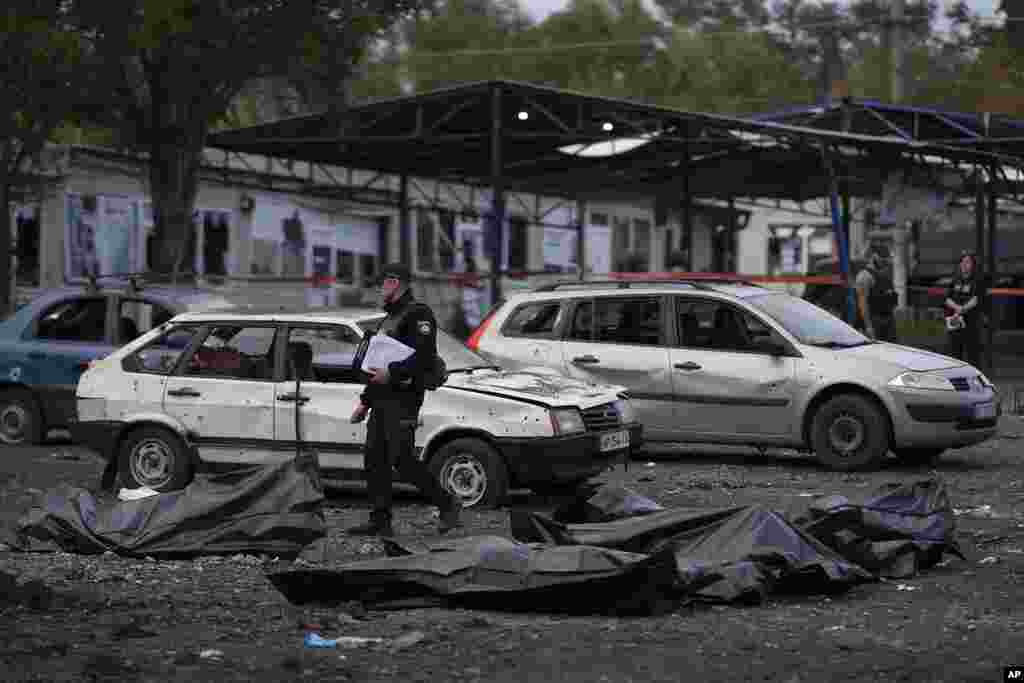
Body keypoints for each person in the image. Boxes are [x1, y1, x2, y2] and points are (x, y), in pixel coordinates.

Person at [347, 263, 461, 537]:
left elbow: (423, 356)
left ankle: (448, 504)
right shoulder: (386, 320)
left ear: (395, 282)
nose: (379, 288)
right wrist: (365, 401)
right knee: (375, 458)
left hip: (405, 397)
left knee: (403, 459)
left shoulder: (418, 314)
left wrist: (394, 372)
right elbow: (378, 365)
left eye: (382, 283)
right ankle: (380, 520)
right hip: (383, 397)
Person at [945, 251, 986, 368]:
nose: (964, 264)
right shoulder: (955, 280)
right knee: (954, 350)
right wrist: (956, 308)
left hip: (971, 321)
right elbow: (947, 298)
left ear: (973, 265)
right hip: (955, 319)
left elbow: (976, 299)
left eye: (967, 262)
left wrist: (963, 309)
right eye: (962, 262)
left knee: (972, 352)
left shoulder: (978, 280)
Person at [854, 245, 898, 342]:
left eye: (887, 260)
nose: (885, 263)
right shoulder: (864, 276)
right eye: (883, 260)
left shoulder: (885, 275)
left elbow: (890, 299)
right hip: (874, 322)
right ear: (874, 257)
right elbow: (862, 303)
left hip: (888, 322)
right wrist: (868, 327)